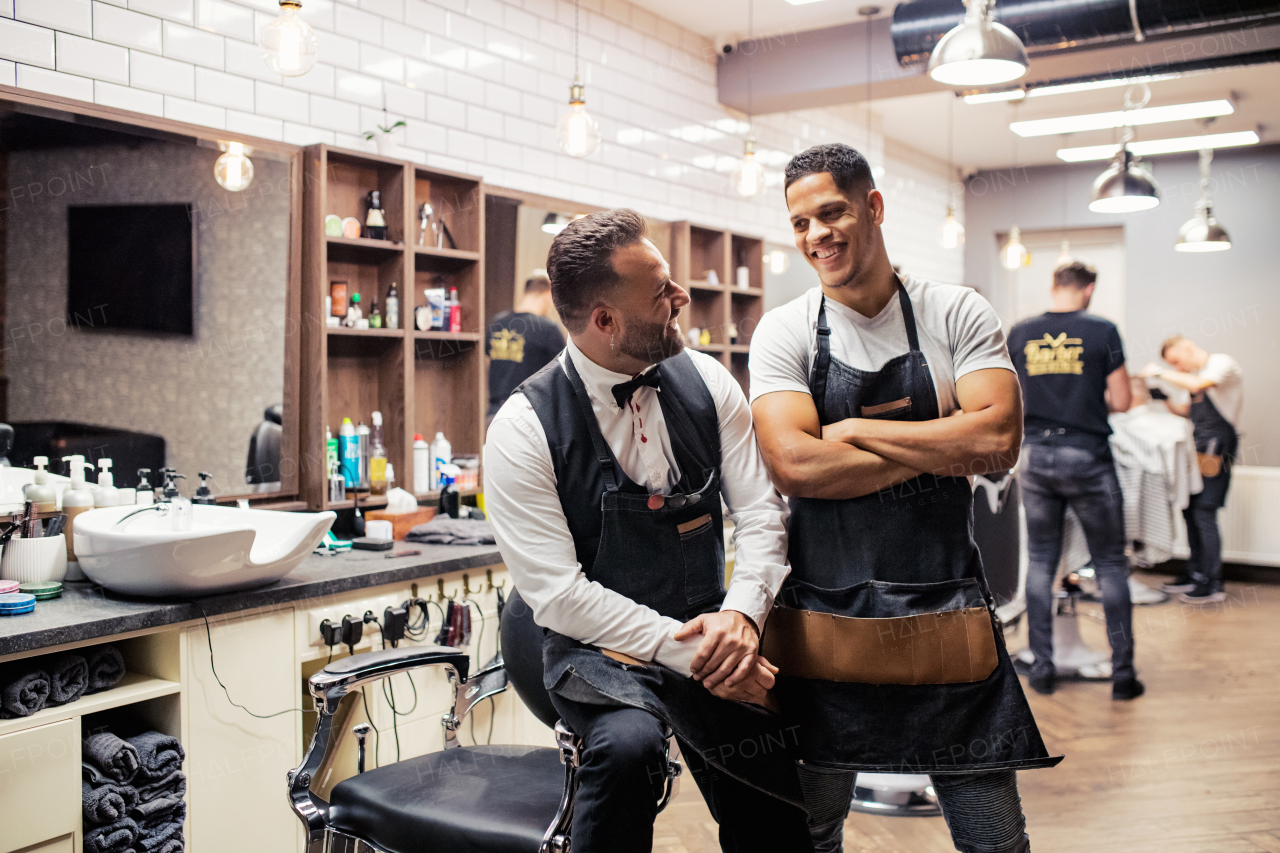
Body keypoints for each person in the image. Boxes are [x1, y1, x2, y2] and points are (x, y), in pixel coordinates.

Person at [749, 143, 1058, 853]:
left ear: (873, 207)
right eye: (800, 223)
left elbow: (1000, 440)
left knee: (995, 840)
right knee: (810, 833)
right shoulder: (786, 329)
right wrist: (944, 442)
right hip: (825, 625)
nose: (816, 235)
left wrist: (853, 430)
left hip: (946, 618)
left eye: (831, 213)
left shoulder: (955, 311)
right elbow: (794, 463)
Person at [484, 209, 812, 853]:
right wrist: (693, 654)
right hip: (595, 648)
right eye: (662, 290)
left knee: (769, 766)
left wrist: (742, 618)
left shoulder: (708, 381)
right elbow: (559, 596)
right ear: (605, 321)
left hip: (713, 629)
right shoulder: (524, 428)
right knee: (627, 750)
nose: (682, 298)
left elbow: (761, 514)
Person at [1005, 261, 1141, 701]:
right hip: (1087, 455)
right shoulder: (1103, 330)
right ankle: (1123, 676)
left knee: (1041, 562)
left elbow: (1011, 399)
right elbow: (1122, 399)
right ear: (1089, 289)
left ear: (1053, 286)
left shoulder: (1021, 333)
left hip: (1035, 456)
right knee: (1109, 565)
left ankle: (1043, 668)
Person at [1142, 336, 1243, 604]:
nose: (1177, 368)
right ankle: (1194, 573)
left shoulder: (1221, 364)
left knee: (1204, 511)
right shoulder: (1197, 376)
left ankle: (1211, 583)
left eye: (1176, 361)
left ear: (1186, 347)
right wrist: (1162, 398)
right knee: (1191, 509)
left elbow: (1198, 385)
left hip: (1216, 448)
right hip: (1198, 446)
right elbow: (1186, 410)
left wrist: (1160, 372)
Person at [485, 271, 564, 423]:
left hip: (495, 415)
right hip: (530, 417)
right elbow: (564, 375)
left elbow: (487, 364)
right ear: (548, 294)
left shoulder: (497, 324)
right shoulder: (548, 329)